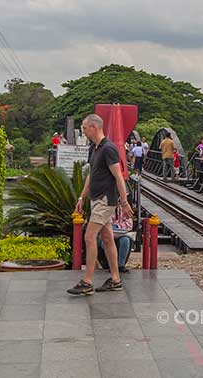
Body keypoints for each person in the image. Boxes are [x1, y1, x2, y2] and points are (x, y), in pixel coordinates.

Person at [68, 114, 133, 296]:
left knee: (89, 237)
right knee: (107, 238)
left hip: (106, 199)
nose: (83, 130)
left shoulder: (109, 149)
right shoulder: (94, 148)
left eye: (85, 127)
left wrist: (124, 202)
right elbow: (92, 174)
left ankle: (87, 281)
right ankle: (115, 279)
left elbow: (118, 176)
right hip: (96, 199)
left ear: (94, 127)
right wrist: (82, 197)